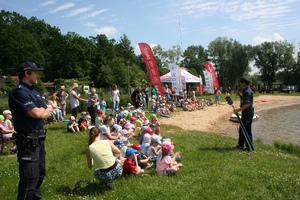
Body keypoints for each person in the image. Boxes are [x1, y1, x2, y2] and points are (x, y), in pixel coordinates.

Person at [8, 61, 52, 199]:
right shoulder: (19, 91)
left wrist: (40, 112)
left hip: (39, 139)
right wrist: (39, 112)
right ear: (26, 73)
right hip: (28, 140)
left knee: (40, 173)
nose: (37, 75)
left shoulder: (35, 91)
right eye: (35, 72)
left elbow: (47, 110)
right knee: (29, 178)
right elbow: (38, 114)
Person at [234, 77, 254, 151]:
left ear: (244, 84)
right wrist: (239, 95)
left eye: (241, 84)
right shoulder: (245, 91)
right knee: (241, 129)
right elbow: (244, 100)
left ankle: (249, 147)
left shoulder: (247, 92)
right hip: (245, 113)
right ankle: (240, 145)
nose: (240, 86)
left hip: (248, 114)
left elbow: (248, 104)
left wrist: (238, 110)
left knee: (247, 131)